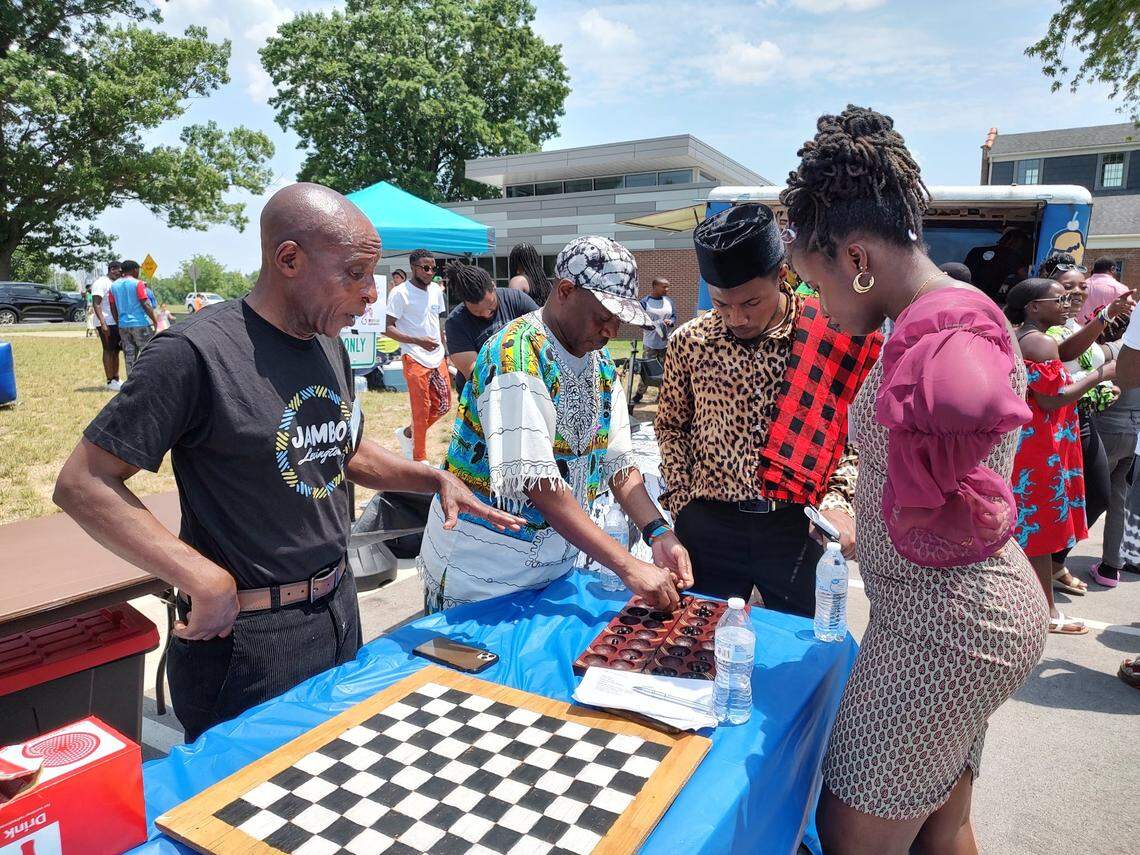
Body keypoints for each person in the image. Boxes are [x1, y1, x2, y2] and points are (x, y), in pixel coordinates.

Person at [53, 183, 522, 742]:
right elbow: (83, 483)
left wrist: (432, 475)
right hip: (246, 642)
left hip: (337, 610)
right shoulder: (194, 352)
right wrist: (199, 576)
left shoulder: (329, 345)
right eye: (353, 274)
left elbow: (341, 449)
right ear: (289, 259)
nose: (369, 297)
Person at [783, 105, 1047, 855]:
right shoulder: (940, 319)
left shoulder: (944, 334)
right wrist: (877, 527)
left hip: (942, 631)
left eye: (818, 283)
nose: (826, 313)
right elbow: (949, 497)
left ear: (857, 256)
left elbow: (968, 409)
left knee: (851, 833)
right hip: (969, 611)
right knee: (943, 824)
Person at [419, 236, 692, 612]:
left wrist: (657, 531)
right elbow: (540, 485)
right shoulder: (515, 353)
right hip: (484, 573)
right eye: (604, 316)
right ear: (565, 290)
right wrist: (628, 564)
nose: (611, 331)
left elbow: (619, 465)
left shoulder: (601, 364)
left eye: (619, 320)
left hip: (552, 567)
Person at [656, 203, 880, 616]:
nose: (736, 318)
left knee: (800, 649)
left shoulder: (833, 333)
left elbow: (859, 437)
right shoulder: (690, 341)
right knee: (697, 644)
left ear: (781, 275)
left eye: (750, 302)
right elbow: (671, 426)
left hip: (796, 527)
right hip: (709, 524)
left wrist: (839, 501)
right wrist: (682, 500)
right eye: (722, 304)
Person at [1007, 278, 1109, 636]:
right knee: (1040, 528)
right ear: (1034, 307)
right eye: (1059, 298)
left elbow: (1064, 352)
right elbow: (1053, 397)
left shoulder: (1026, 335)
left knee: (1032, 527)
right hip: (1039, 445)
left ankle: (1032, 604)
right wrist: (1101, 374)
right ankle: (1047, 612)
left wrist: (1102, 320)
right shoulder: (1037, 341)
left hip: (1034, 441)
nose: (1068, 302)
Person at [1037, 251, 1133, 593]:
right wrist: (1100, 375)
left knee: (1096, 496)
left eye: (1082, 285)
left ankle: (1055, 562)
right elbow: (1065, 355)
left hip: (1082, 419)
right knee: (1051, 501)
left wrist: (1110, 330)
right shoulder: (1042, 331)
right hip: (1057, 423)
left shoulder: (1076, 324)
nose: (1078, 291)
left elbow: (1094, 351)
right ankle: (1041, 569)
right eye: (1068, 286)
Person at [385, 249, 450, 462]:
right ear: (413, 268)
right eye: (425, 268)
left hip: (437, 355)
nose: (430, 271)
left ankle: (408, 434)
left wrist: (445, 351)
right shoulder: (400, 293)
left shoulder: (436, 291)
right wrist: (417, 341)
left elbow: (437, 322)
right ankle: (419, 458)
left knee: (443, 405)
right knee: (421, 409)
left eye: (433, 268)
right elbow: (386, 328)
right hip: (414, 356)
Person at [443, 262, 537, 393]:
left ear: (493, 286)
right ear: (465, 303)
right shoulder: (455, 323)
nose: (486, 314)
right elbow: (475, 373)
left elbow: (542, 333)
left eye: (491, 305)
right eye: (477, 312)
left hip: (524, 382)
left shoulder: (516, 299)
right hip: (483, 391)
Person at [631, 277, 676, 405]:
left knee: (665, 370)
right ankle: (639, 395)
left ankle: (661, 396)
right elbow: (639, 320)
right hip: (650, 344)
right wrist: (650, 326)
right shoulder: (645, 302)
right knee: (648, 370)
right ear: (655, 286)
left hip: (666, 344)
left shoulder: (669, 302)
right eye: (664, 286)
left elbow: (673, 317)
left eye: (668, 286)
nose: (667, 289)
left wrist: (670, 322)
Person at [108, 260, 157, 373]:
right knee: (148, 355)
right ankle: (149, 381)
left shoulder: (113, 286)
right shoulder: (138, 283)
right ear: (135, 270)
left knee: (129, 358)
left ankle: (131, 385)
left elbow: (113, 307)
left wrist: (119, 322)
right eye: (138, 270)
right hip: (140, 324)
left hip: (123, 326)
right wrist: (155, 320)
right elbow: (145, 304)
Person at [964, 226, 1032, 302]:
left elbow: (964, 273)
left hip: (968, 294)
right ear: (1014, 243)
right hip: (990, 299)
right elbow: (1027, 277)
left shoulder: (975, 251)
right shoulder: (1011, 255)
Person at [91, 262, 123, 390]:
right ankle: (110, 380)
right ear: (111, 269)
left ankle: (116, 378)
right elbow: (96, 304)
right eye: (118, 271)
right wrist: (103, 323)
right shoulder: (101, 283)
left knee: (116, 350)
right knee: (108, 350)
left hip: (114, 322)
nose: (120, 274)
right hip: (106, 322)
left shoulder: (114, 283)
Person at [1080, 257, 1130, 324]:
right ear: (1112, 269)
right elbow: (1128, 314)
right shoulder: (1121, 289)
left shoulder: (1080, 286)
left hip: (1077, 330)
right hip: (1107, 331)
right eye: (1116, 270)